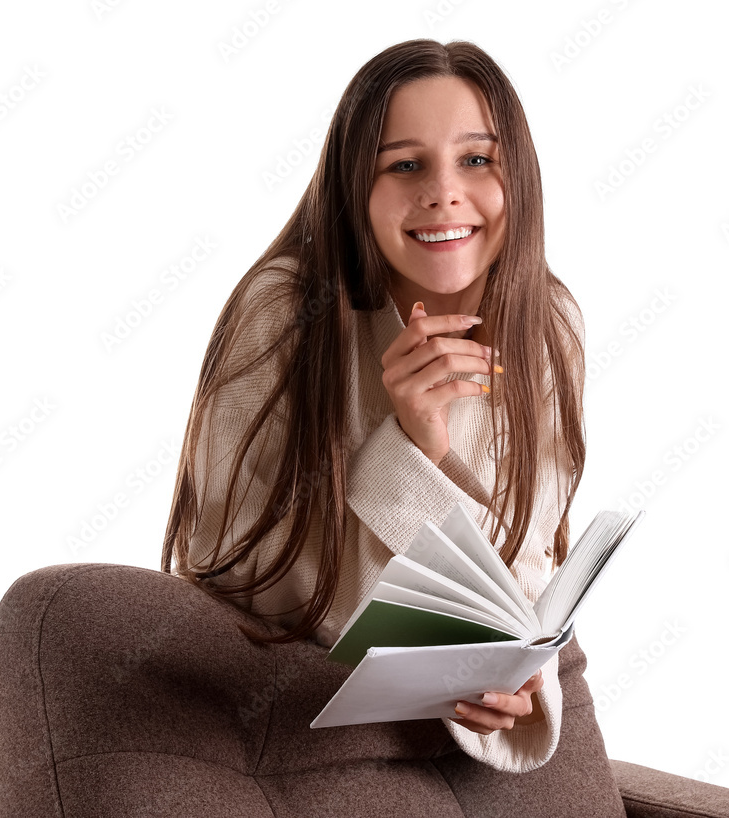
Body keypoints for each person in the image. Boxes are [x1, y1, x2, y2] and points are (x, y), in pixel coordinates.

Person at [160, 38, 586, 774]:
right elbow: (231, 565)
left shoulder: (548, 328)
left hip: (456, 757)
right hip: (292, 729)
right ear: (357, 186)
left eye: (477, 160)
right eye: (405, 164)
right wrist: (409, 450)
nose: (444, 192)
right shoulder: (282, 314)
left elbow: (530, 571)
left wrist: (513, 677)